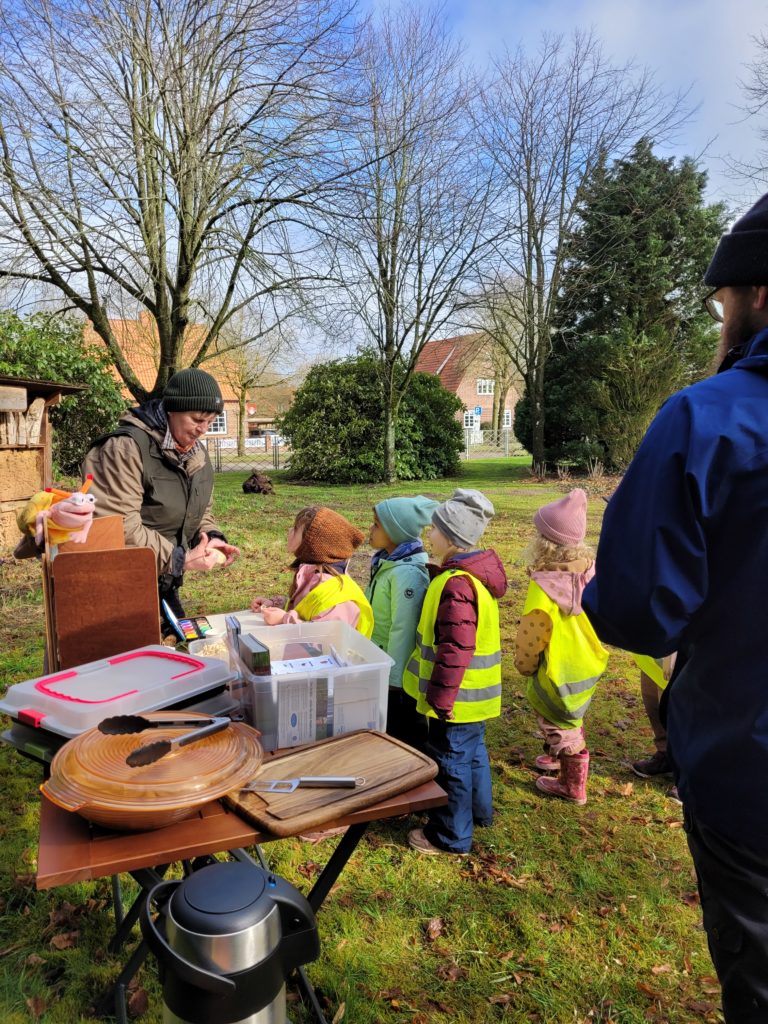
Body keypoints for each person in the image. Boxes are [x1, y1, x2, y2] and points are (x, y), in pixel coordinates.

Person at [582, 190, 768, 1023]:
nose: (722, 317)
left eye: (724, 300)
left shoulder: (710, 419)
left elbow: (635, 610)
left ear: (758, 294)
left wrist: (585, 592)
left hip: (750, 782)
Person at [82, 368, 240, 632]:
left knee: (187, 650)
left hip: (164, 581)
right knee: (134, 665)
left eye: (211, 421)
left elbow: (200, 510)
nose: (203, 429)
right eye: (197, 419)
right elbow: (117, 526)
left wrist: (212, 536)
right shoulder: (124, 449)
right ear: (172, 410)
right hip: (118, 585)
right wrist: (180, 559)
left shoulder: (196, 454)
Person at [403, 489, 506, 856]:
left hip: (455, 697)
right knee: (473, 752)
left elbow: (455, 647)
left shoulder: (457, 585)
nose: (429, 535)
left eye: (433, 530)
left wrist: (441, 697)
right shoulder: (470, 576)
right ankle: (479, 813)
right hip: (476, 696)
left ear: (449, 537)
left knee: (450, 761)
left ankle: (450, 836)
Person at [514, 488, 608, 805]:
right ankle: (557, 758)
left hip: (556, 668)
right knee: (570, 715)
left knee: (558, 724)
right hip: (587, 662)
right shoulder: (592, 572)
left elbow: (533, 632)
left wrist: (525, 665)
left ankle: (572, 785)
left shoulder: (544, 586)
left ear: (543, 542)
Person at [365, 495, 437, 748]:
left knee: (405, 733)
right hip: (384, 664)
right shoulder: (389, 563)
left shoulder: (406, 574)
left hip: (399, 677)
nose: (370, 529)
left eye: (376, 525)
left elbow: (404, 629)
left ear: (395, 532)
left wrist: (394, 680)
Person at [251, 506, 373, 636]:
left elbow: (324, 640)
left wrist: (283, 620)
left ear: (311, 544)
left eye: (296, 528)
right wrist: (277, 604)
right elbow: (307, 606)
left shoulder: (337, 598)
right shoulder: (313, 576)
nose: (290, 530)